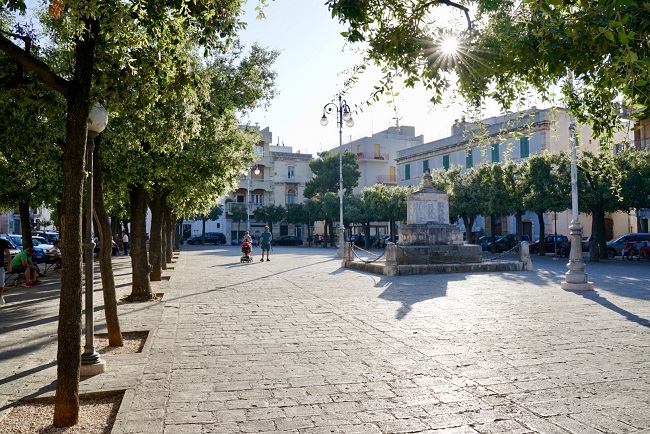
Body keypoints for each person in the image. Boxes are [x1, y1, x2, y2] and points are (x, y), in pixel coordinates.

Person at [1, 237, 11, 305]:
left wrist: (9, 264)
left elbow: (8, 254)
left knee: (1, 283)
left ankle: (0, 295)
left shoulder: (3, 242)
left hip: (0, 265)